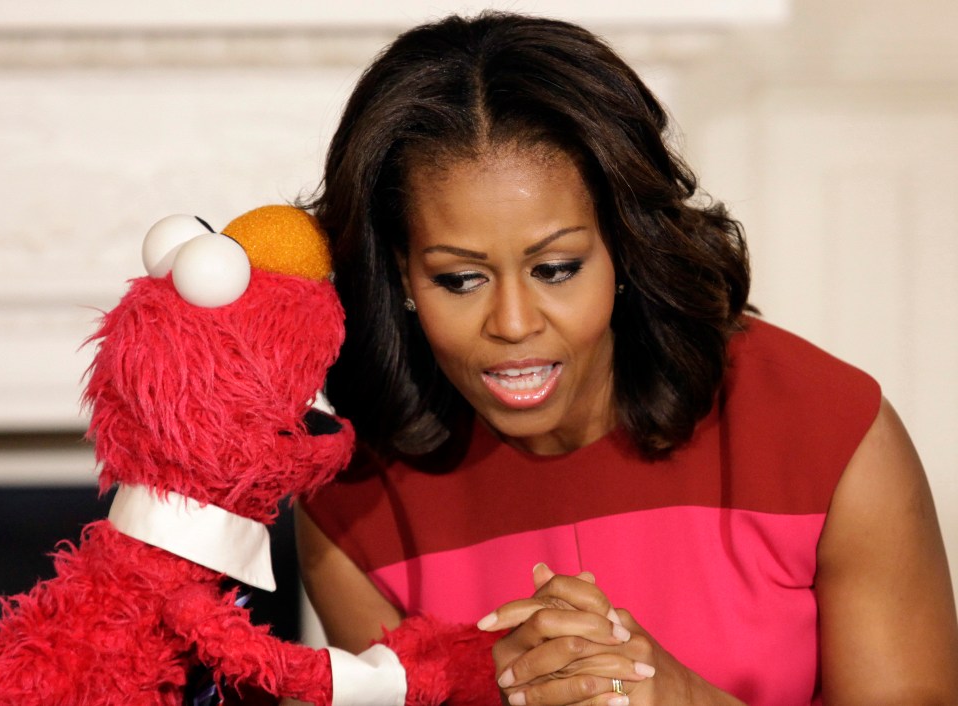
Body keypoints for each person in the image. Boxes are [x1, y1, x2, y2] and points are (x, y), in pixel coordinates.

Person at [292, 11, 958, 706]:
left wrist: (680, 699)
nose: (514, 324)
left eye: (556, 268)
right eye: (460, 279)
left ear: (623, 246)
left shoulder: (830, 437)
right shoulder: (352, 502)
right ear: (400, 276)